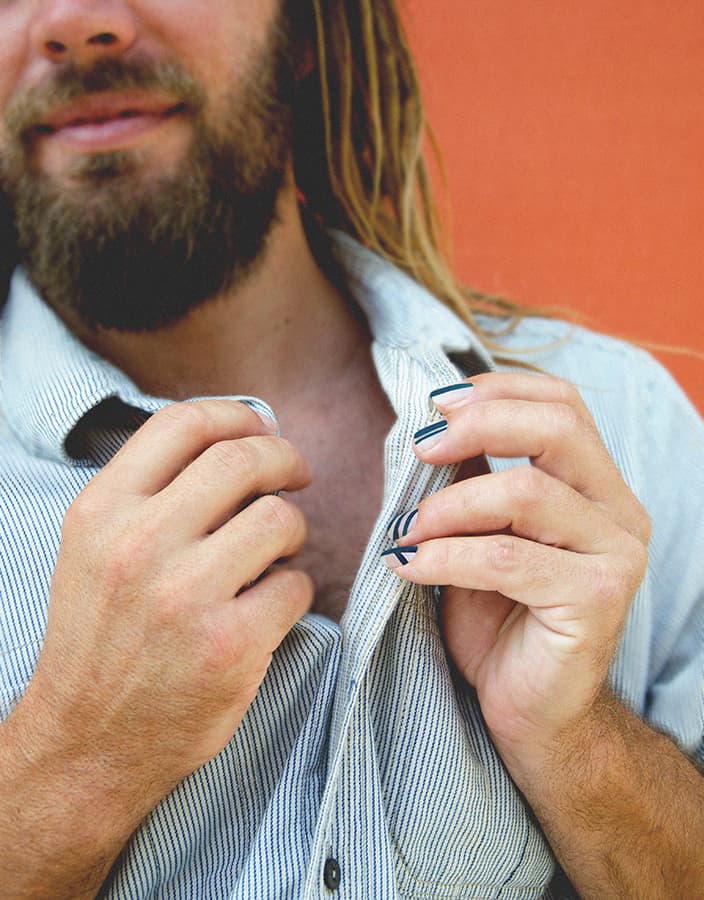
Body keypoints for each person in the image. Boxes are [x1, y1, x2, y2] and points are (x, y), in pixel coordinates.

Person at [0, 1, 702, 897]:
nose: (72, 21)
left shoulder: (620, 419)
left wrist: (582, 749)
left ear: (305, 30)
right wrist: (73, 766)